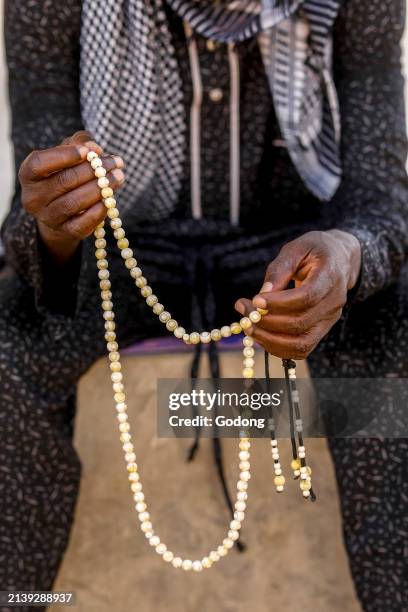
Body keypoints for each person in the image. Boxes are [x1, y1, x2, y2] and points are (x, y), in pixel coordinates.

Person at [0, 0, 407, 610]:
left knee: (396, 342)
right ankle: (25, 599)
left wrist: (346, 258)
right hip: (116, 258)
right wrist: (56, 225)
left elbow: (384, 205)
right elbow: (31, 228)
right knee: (7, 348)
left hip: (294, 254)